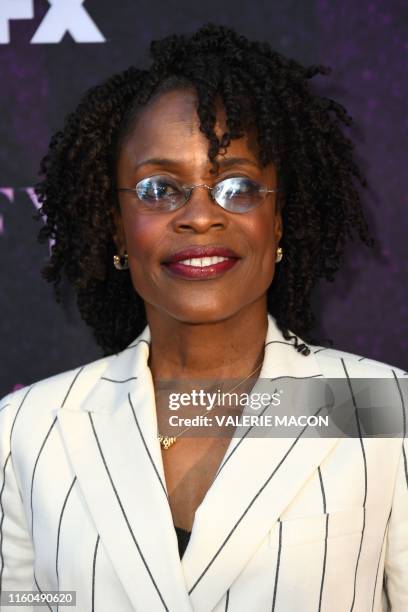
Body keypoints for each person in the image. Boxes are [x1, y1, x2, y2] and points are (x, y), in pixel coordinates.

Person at [0, 23, 406, 612]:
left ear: (281, 218)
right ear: (116, 226)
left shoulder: (382, 408)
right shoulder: (27, 430)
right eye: (159, 189)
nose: (199, 217)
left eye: (237, 186)